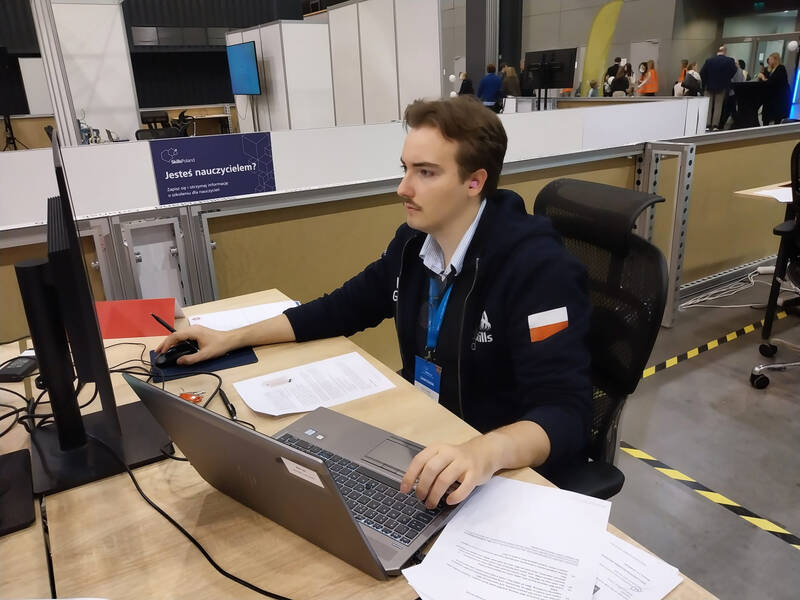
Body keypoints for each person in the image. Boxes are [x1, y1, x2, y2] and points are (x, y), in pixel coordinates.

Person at [156, 96, 593, 509]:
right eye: (405, 169)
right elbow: (341, 308)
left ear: (474, 181)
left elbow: (566, 412)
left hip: (497, 470)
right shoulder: (414, 245)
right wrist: (231, 338)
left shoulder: (537, 268)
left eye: (426, 173)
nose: (403, 187)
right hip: (429, 436)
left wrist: (483, 452)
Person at [699, 46, 737, 130]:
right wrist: (726, 79)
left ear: (718, 51)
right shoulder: (729, 61)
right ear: (725, 51)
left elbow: (702, 73)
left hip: (709, 86)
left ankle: (707, 125)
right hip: (722, 86)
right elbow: (734, 71)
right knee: (718, 106)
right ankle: (715, 125)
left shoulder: (709, 60)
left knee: (708, 106)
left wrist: (706, 83)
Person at [758, 52, 791, 125]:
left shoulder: (781, 68)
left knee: (777, 118)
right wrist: (762, 75)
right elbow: (765, 82)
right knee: (766, 118)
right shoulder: (769, 69)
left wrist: (763, 77)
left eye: (770, 60)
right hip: (770, 98)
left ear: (775, 60)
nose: (769, 61)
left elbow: (772, 82)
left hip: (778, 98)